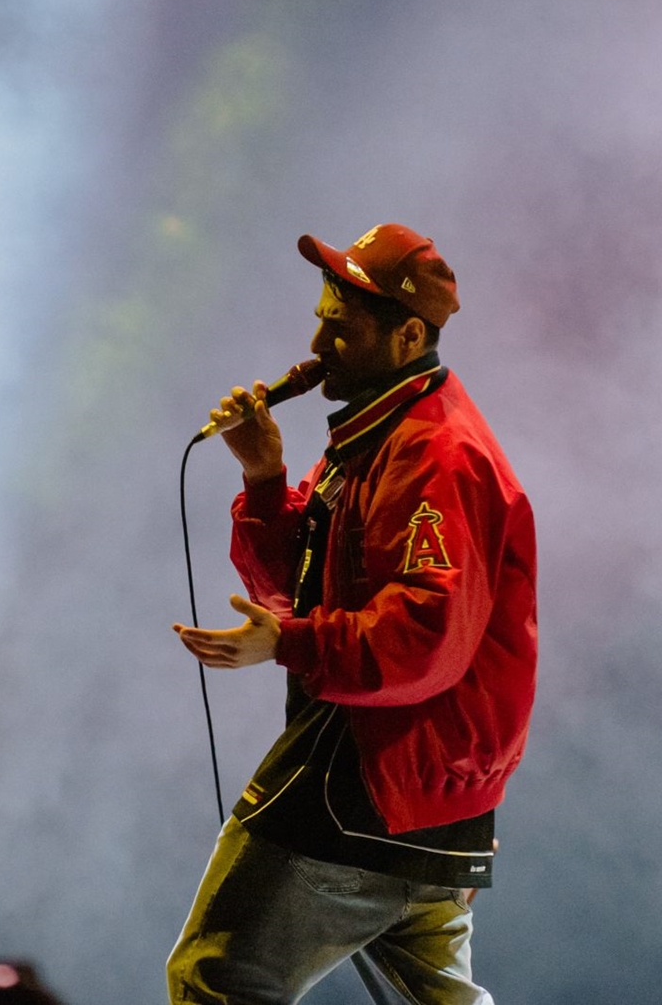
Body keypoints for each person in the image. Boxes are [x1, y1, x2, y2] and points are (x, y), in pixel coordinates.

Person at [168, 223, 538, 1004]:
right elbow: (296, 589)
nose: (316, 342)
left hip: (372, 776)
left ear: (408, 335)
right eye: (321, 319)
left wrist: (290, 642)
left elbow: (427, 637)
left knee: (218, 979)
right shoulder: (381, 436)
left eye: (341, 325)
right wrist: (264, 477)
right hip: (426, 791)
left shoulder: (435, 455)